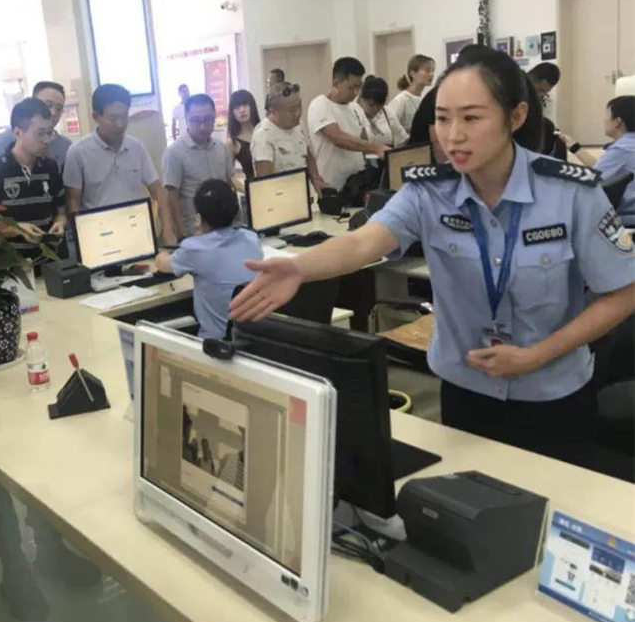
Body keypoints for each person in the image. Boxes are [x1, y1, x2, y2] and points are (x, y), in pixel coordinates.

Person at [232, 46, 635, 469]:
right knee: (466, 501)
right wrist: (299, 267)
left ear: (515, 117)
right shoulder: (428, 192)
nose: (452, 135)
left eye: (471, 118)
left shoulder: (570, 193)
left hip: (553, 394)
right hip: (465, 391)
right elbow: (363, 242)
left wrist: (537, 355)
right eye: (442, 119)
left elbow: (624, 293)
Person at [63, 83, 175, 243]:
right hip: (101, 235)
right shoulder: (78, 152)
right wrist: (80, 239)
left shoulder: (136, 147)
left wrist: (167, 228)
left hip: (137, 230)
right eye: (113, 118)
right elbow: (73, 200)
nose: (120, 124)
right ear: (95, 116)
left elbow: (158, 190)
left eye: (124, 116)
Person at [155, 179, 262, 339]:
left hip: (213, 345)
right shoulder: (251, 238)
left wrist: (163, 252)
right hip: (251, 341)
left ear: (198, 218)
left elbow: (161, 264)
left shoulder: (194, 248)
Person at [0, 97, 67, 258]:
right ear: (17, 132)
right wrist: (17, 229)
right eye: (40, 133)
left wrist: (60, 224)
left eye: (49, 133)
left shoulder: (51, 167)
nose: (46, 140)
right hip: (10, 264)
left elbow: (61, 211)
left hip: (49, 259)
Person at [306, 58, 386, 191]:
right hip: (332, 187)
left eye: (358, 87)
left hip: (357, 185)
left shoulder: (356, 108)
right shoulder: (319, 105)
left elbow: (363, 144)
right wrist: (377, 148)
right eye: (351, 87)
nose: (355, 93)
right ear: (336, 82)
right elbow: (338, 138)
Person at [163, 93, 234, 238]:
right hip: (194, 231)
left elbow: (228, 184)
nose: (202, 126)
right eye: (196, 120)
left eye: (207, 120)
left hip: (223, 228)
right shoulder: (175, 152)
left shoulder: (221, 147)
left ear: (214, 118)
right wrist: (182, 235)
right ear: (186, 119)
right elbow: (171, 197)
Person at [561, 96, 635, 223]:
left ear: (617, 121)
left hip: (623, 216)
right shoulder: (628, 145)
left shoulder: (621, 150)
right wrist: (574, 147)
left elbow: (591, 178)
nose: (604, 120)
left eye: (607, 115)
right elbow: (603, 169)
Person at [252, 81, 324, 194]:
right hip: (281, 197)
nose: (298, 113)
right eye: (292, 110)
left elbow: (307, 154)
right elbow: (264, 181)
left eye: (299, 106)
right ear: (273, 111)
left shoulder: (298, 125)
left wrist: (315, 179)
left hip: (304, 192)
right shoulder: (263, 135)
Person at [0, 81, 72, 169]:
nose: (53, 113)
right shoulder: (2, 141)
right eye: (48, 105)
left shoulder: (65, 146)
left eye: (59, 108)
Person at [353, 75, 409, 148]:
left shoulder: (387, 113)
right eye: (371, 105)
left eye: (379, 106)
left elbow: (403, 139)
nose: (375, 109)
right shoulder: (353, 113)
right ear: (361, 98)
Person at [387, 54, 436, 131]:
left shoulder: (423, 100)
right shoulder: (401, 100)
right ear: (413, 74)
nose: (431, 74)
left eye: (432, 71)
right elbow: (389, 125)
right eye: (427, 70)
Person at [226, 89, 261, 182]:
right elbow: (229, 176)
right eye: (237, 107)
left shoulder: (264, 131)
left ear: (252, 106)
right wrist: (244, 188)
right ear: (232, 112)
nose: (242, 110)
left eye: (245, 105)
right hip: (252, 187)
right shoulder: (231, 142)